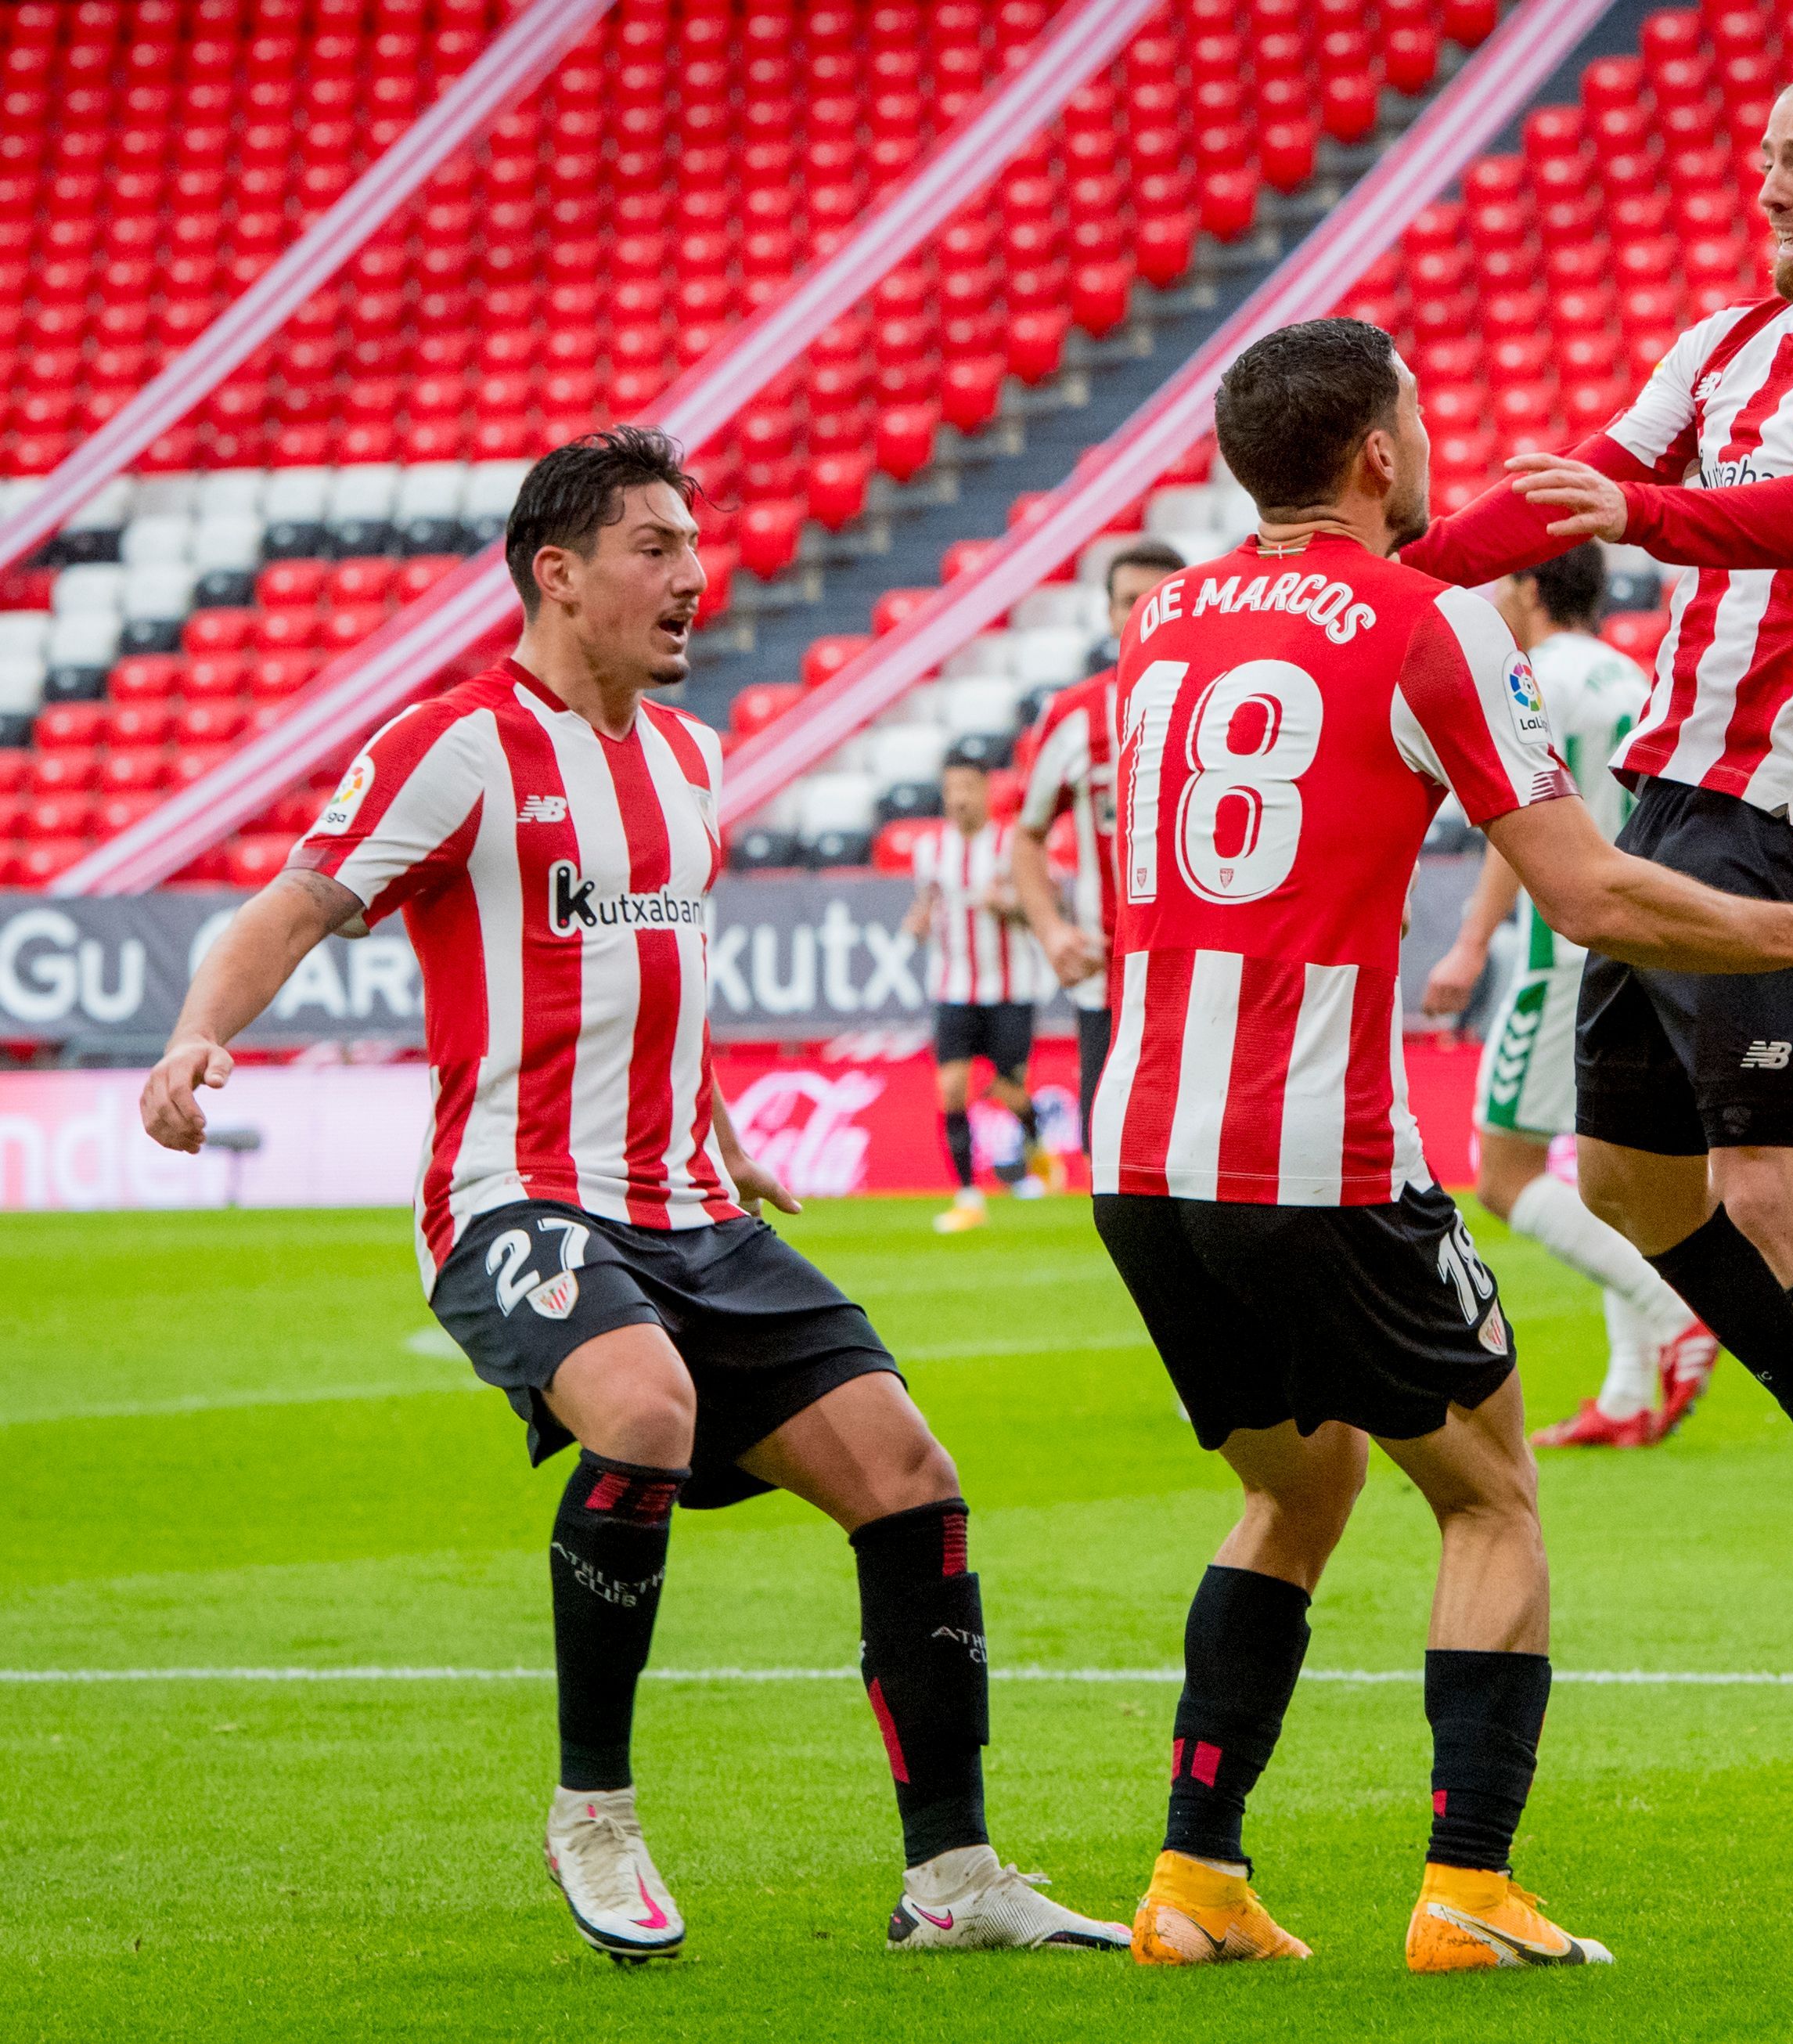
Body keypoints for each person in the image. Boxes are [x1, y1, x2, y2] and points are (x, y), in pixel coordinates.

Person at [136, 427, 1125, 1960]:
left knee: (911, 1472)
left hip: (688, 1204)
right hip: (514, 1194)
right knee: (645, 1411)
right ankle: (591, 1809)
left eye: (692, 544)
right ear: (560, 573)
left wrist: (722, 1132)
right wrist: (201, 1032)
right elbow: (297, 904)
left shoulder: (690, 758)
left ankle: (955, 1875)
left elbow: (649, 981)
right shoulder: (452, 747)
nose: (692, 577)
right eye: (656, 548)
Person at [1096, 320, 1793, 1972]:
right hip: (1314, 1151)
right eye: (1418, 421)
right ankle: (1467, 1892)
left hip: (1138, 1151)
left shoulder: (1155, 626)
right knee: (1489, 1493)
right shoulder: (1430, 625)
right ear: (1376, 454)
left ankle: (1194, 1880)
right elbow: (1593, 893)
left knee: (1298, 1488)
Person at [1400, 57, 1793, 1767]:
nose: (1771, 193)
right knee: (1630, 1183)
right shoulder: (1723, 343)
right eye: (1765, 164)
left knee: (1768, 1182)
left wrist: (1645, 513)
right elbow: (1567, 487)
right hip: (1669, 799)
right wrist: (1393, 571)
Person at [1417, 542, 1720, 1450]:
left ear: (1525, 586)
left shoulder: (1528, 677)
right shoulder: (1632, 672)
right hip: (1647, 942)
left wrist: (1470, 943)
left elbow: (1522, 827)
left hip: (1564, 952)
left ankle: (1672, 1306)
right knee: (1607, 1175)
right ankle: (1629, 1392)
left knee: (1504, 1175)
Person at [1012, 537, 1186, 1153]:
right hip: (1108, 976)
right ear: (1109, 613)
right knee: (1114, 1162)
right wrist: (1052, 930)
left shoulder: (1233, 700)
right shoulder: (1075, 715)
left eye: (1158, 598)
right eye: (1128, 600)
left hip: (1205, 974)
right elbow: (1026, 834)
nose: (1141, 613)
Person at [903, 755, 1051, 1231]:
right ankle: (968, 1195)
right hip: (953, 988)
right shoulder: (930, 850)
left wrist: (1008, 905)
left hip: (1011, 987)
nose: (960, 798)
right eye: (952, 789)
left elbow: (1047, 909)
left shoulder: (1012, 844)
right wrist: (919, 924)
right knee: (950, 1090)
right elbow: (925, 907)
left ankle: (1037, 1151)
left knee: (1009, 1089)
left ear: (986, 791)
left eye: (968, 787)